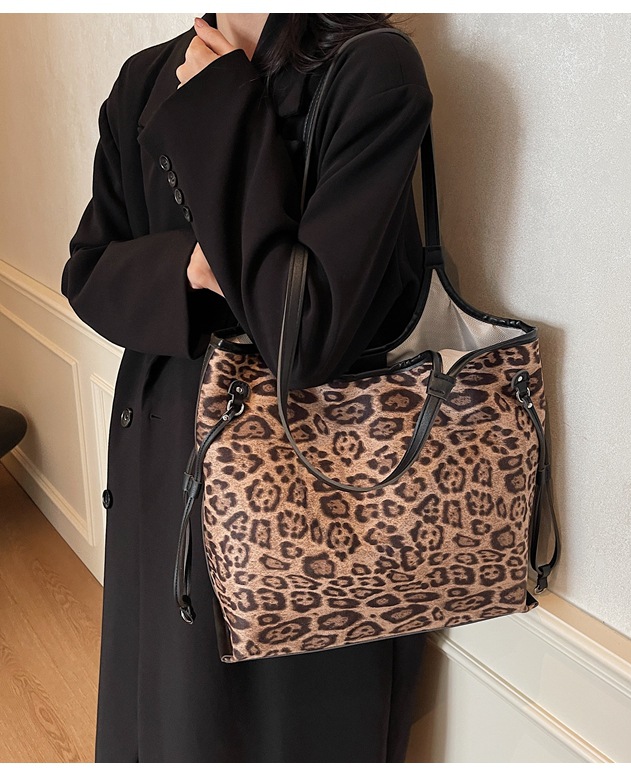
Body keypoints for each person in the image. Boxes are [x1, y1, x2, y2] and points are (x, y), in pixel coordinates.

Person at [61, 12, 434, 763]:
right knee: (165, 726)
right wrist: (191, 267)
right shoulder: (145, 77)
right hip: (165, 467)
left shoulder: (371, 71)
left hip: (306, 491)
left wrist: (222, 103)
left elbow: (303, 333)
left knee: (284, 736)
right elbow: (89, 272)